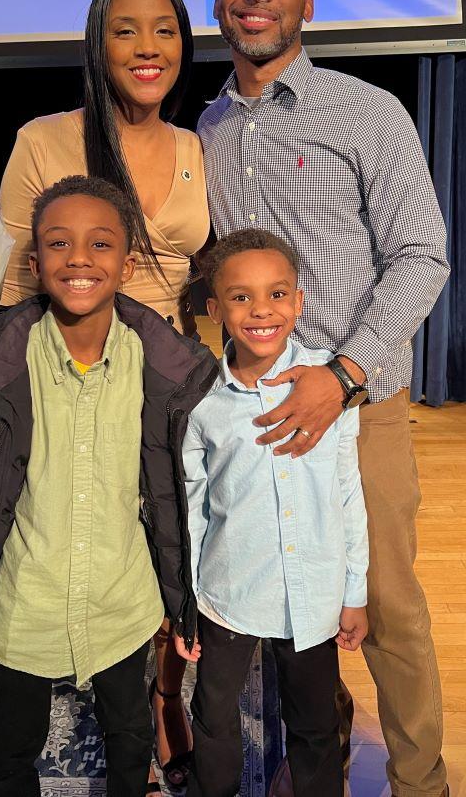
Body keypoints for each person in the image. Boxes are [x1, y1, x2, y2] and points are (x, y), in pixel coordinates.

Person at [0, 0, 210, 791]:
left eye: (165, 29)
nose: (148, 47)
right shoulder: (46, 138)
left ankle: (159, 700)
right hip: (60, 364)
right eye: (125, 29)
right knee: (62, 515)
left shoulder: (195, 147)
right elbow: (10, 276)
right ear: (96, 42)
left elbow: (203, 275)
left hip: (159, 378)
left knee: (158, 535)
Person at [197, 0, 450, 797]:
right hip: (259, 412)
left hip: (356, 405)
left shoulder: (368, 112)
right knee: (283, 601)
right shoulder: (209, 129)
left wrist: (341, 375)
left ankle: (422, 783)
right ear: (220, 1)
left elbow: (423, 252)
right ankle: (324, 753)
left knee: (385, 612)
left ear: (308, 4)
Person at [0, 175, 218, 797]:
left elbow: (174, 487)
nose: (80, 259)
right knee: (12, 741)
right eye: (60, 245)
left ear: (129, 260)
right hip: (25, 598)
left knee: (130, 732)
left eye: (100, 244)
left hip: (122, 597)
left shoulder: (160, 366)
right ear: (36, 263)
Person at [174, 229, 369, 797]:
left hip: (312, 596)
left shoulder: (331, 388)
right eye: (240, 297)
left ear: (299, 300)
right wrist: (187, 600)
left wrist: (354, 589)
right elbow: (192, 504)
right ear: (214, 309)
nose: (262, 310)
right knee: (213, 713)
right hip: (228, 594)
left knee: (313, 722)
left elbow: (348, 491)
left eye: (278, 294)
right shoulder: (201, 400)